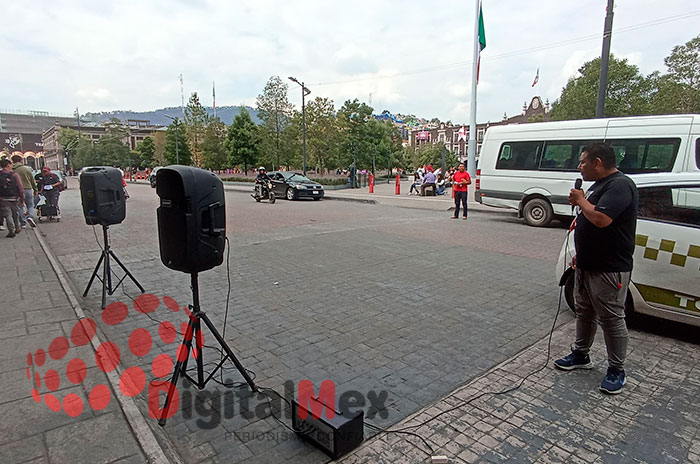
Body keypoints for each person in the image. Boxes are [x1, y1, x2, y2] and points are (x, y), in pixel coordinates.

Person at [554, 143, 638, 395]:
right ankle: (581, 354)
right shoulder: (599, 186)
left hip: (608, 268)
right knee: (584, 311)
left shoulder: (620, 185)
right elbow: (590, 221)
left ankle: (616, 370)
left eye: (583, 162)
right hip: (587, 264)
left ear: (597, 162)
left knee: (611, 319)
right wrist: (580, 254)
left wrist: (580, 201)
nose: (580, 167)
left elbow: (602, 218)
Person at [0, 159, 25, 237]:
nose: (12, 166)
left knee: (7, 215)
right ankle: (17, 227)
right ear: (8, 165)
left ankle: (11, 230)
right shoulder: (15, 175)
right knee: (15, 214)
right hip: (14, 198)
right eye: (11, 165)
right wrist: (22, 198)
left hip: (3, 198)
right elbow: (20, 187)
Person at [11, 155, 37, 228]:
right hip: (28, 189)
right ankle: (30, 217)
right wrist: (35, 190)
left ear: (12, 161)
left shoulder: (12, 170)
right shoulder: (26, 169)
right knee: (30, 205)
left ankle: (23, 223)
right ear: (21, 160)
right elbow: (32, 180)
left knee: (20, 207)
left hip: (17, 190)